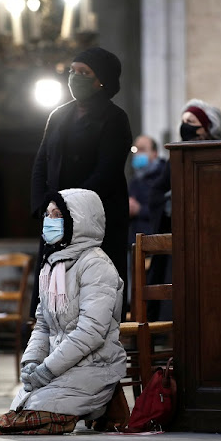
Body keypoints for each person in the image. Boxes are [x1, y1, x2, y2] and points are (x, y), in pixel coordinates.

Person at [0, 188, 127, 435]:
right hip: (58, 366)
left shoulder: (96, 265)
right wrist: (32, 363)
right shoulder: (53, 265)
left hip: (93, 365)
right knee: (20, 410)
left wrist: (47, 369)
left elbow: (91, 332)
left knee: (31, 414)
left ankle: (97, 406)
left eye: (57, 214)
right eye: (47, 215)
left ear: (78, 221)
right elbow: (43, 324)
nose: (49, 221)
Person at [30, 47, 132, 319]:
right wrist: (45, 205)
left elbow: (107, 172)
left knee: (92, 302)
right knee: (54, 300)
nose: (75, 77)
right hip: (56, 217)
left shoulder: (115, 118)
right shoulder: (58, 115)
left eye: (84, 72)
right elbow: (41, 163)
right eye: (72, 71)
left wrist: (66, 205)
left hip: (96, 217)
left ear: (102, 80)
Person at [147, 99, 221, 322]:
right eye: (183, 121)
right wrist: (171, 202)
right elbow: (156, 192)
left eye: (191, 122)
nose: (185, 126)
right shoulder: (176, 157)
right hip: (177, 236)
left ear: (207, 128)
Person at [128, 134, 166, 243]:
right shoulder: (135, 179)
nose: (137, 154)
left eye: (142, 149)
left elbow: (165, 211)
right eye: (135, 150)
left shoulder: (163, 177)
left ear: (154, 153)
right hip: (135, 241)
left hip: (155, 241)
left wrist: (139, 210)